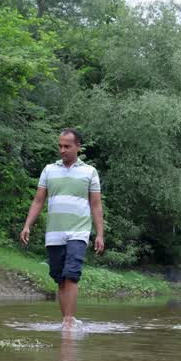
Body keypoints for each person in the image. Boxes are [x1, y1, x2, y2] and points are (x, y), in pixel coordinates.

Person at [20, 128, 104, 329]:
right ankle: (67, 320)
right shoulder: (49, 170)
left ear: (78, 147)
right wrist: (27, 225)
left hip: (79, 231)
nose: (62, 150)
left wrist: (100, 234)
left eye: (67, 146)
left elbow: (96, 205)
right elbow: (39, 201)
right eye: (60, 146)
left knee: (71, 273)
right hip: (54, 233)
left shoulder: (90, 172)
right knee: (59, 278)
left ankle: (67, 322)